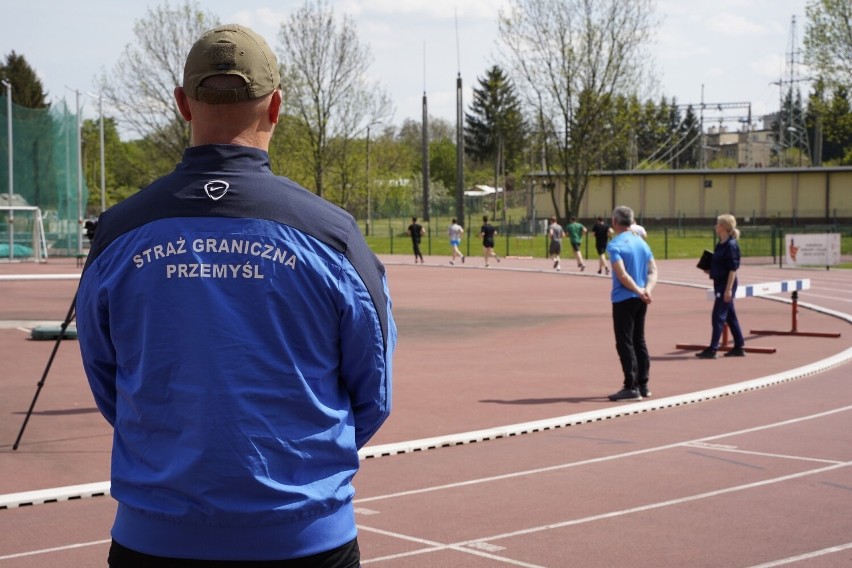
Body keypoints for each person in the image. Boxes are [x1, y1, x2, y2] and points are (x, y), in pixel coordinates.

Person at [75, 24, 395, 567]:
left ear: (182, 103)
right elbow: (374, 391)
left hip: (154, 540)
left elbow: (107, 381)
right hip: (305, 539)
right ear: (275, 107)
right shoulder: (331, 235)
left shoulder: (118, 233)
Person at [606, 205, 658, 401]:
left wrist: (637, 290)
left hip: (623, 298)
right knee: (639, 339)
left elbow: (622, 275)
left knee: (624, 341)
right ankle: (643, 384)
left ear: (614, 222)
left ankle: (631, 385)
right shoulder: (642, 243)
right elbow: (653, 270)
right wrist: (647, 290)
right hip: (641, 299)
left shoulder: (615, 245)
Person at [696, 214, 746, 359]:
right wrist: (710, 270)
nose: (715, 227)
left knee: (717, 316)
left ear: (724, 227)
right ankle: (739, 346)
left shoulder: (731, 245)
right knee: (730, 316)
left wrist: (728, 289)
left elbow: (733, 269)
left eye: (718, 224)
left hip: (726, 285)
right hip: (719, 283)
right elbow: (721, 265)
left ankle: (712, 349)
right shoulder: (721, 243)